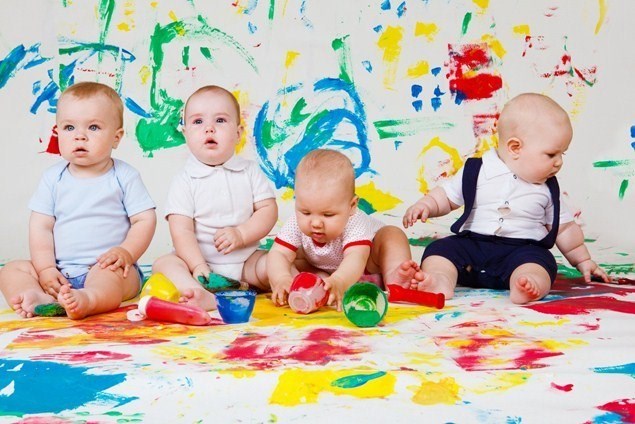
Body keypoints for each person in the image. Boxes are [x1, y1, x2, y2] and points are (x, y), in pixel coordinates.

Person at [402, 93, 610, 304]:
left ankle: (528, 284)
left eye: (562, 154)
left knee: (542, 262)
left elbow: (564, 230)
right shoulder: (477, 170)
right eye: (551, 154)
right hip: (472, 247)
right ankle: (440, 280)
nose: (558, 163)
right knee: (440, 250)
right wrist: (426, 205)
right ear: (515, 148)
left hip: (521, 252)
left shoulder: (547, 188)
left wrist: (583, 260)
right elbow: (447, 197)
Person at [0, 81, 157, 319]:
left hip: (106, 267)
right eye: (69, 127)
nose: (79, 136)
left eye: (93, 127)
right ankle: (39, 297)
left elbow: (144, 220)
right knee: (12, 270)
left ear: (116, 138)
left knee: (111, 278)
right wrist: (46, 269)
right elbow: (41, 227)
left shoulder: (124, 176)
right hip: (60, 271)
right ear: (58, 132)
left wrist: (126, 252)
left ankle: (88, 299)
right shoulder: (52, 178)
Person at [152, 85, 277, 310]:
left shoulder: (249, 171)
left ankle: (289, 286)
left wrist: (242, 234)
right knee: (164, 264)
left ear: (238, 134)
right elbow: (181, 231)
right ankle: (200, 293)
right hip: (201, 266)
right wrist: (198, 265)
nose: (209, 128)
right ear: (186, 133)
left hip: (246, 263)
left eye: (220, 120)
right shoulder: (185, 179)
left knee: (276, 261)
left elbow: (268, 210)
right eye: (198, 122)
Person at [267, 149, 424, 311]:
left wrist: (340, 281)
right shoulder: (296, 222)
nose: (315, 223)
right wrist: (281, 278)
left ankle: (394, 277)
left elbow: (356, 258)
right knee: (287, 260)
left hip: (367, 267)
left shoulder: (355, 221)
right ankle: (307, 285)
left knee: (392, 235)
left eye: (328, 215)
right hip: (326, 272)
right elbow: (278, 253)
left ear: (352, 206)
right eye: (306, 212)